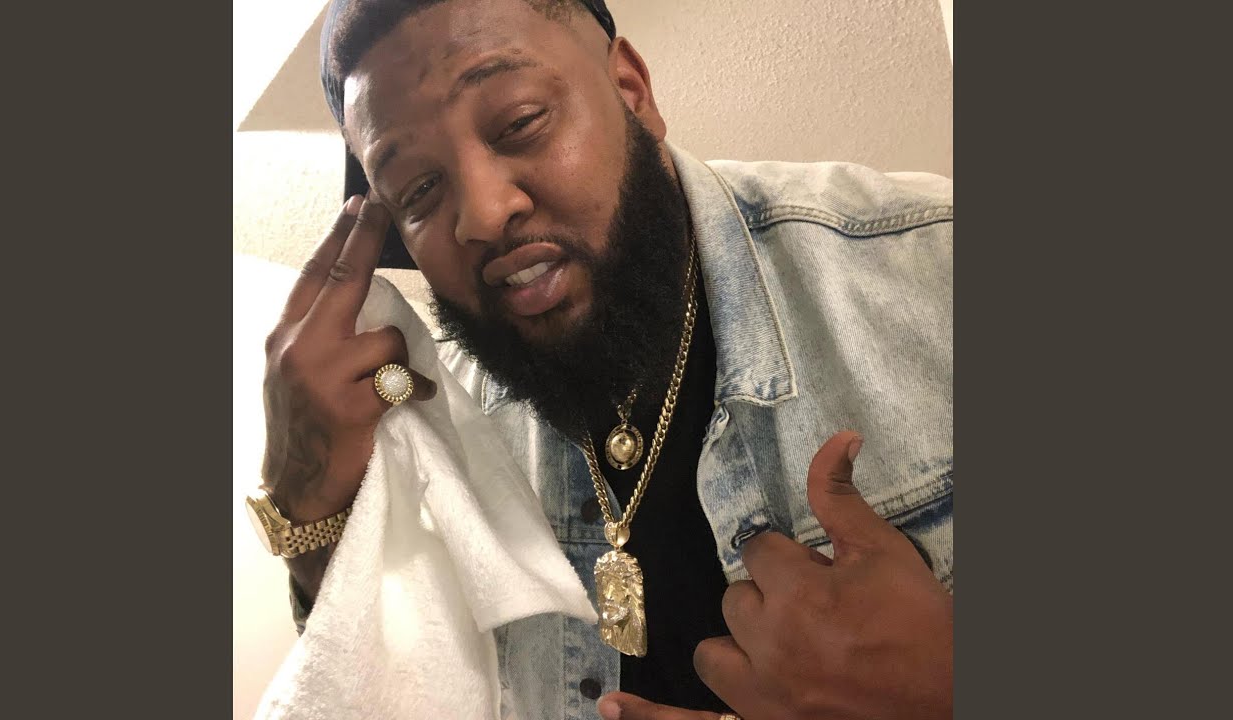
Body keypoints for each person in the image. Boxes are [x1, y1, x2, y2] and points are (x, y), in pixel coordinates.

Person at [250, 1, 953, 718]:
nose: (483, 214)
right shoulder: (437, 421)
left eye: (519, 123)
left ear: (630, 89)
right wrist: (305, 505)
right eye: (419, 190)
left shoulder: (939, 269)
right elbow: (393, 686)